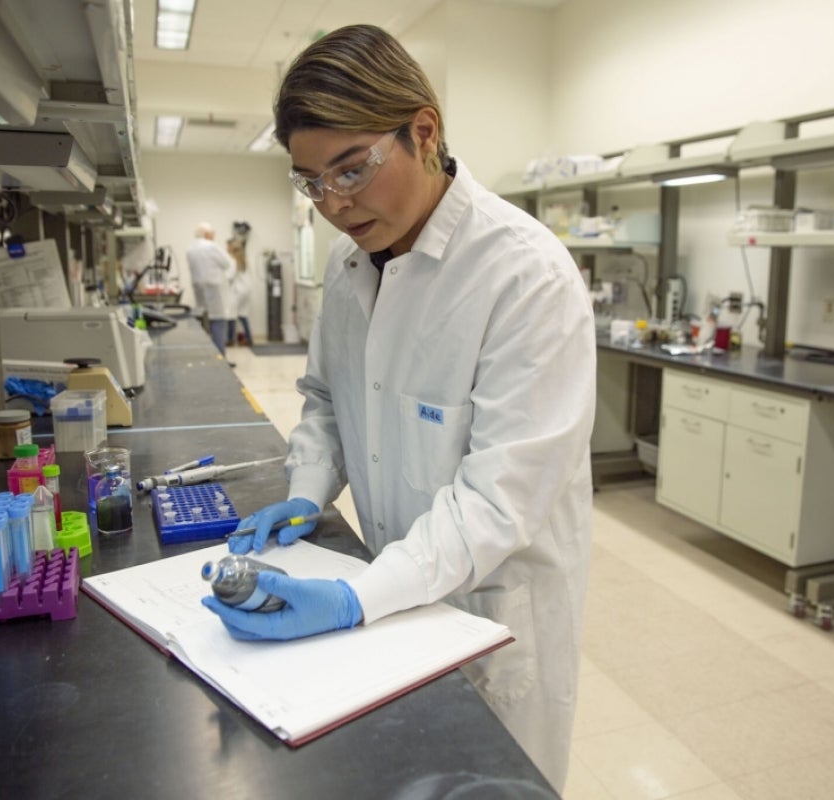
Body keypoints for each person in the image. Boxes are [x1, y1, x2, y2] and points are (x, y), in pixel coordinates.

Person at [199, 24, 595, 792]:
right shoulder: (353, 272)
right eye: (311, 182)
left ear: (424, 130)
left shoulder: (525, 279)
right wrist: (305, 493)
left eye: (352, 168)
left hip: (490, 616)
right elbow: (325, 402)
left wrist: (351, 597)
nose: (334, 203)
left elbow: (496, 503)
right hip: (389, 601)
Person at [185, 222, 236, 356]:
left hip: (198, 289)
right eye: (212, 234)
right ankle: (220, 357)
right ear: (207, 234)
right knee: (218, 321)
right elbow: (227, 263)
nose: (213, 236)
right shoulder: (212, 246)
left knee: (203, 321)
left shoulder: (190, 249)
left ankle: (205, 355)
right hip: (214, 289)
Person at [226, 237, 254, 348]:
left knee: (231, 315)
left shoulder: (233, 260)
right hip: (246, 290)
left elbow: (230, 277)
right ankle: (249, 338)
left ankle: (230, 340)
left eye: (228, 246)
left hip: (237, 291)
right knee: (243, 314)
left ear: (232, 248)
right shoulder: (244, 259)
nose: (226, 248)